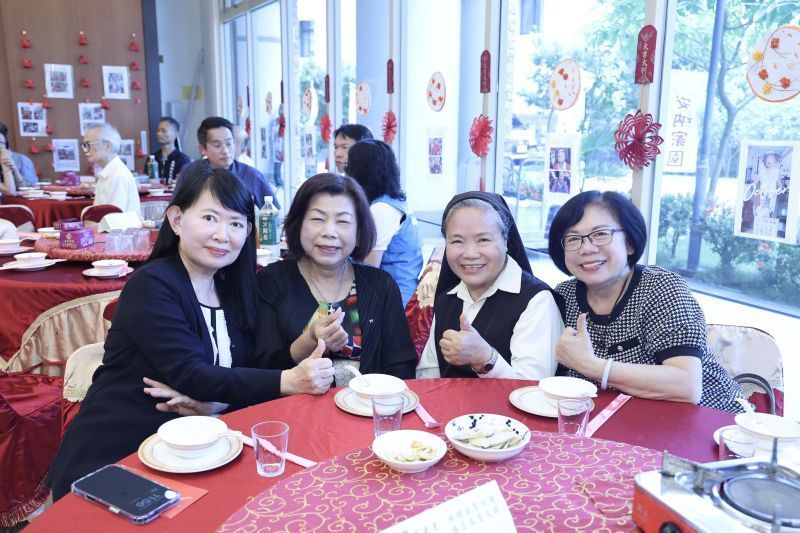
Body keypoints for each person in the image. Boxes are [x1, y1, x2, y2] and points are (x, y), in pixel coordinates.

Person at [48, 167, 335, 500]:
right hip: (120, 453)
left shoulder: (231, 289)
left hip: (198, 453)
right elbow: (191, 374)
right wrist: (289, 381)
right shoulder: (152, 285)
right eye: (210, 218)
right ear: (176, 220)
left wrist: (304, 343)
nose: (222, 235)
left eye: (236, 223)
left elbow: (244, 369)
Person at [547, 190, 743, 412]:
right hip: (624, 419)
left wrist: (592, 366)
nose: (587, 248)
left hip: (712, 417)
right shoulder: (564, 296)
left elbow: (687, 386)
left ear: (630, 243)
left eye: (601, 234)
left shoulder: (661, 288)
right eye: (573, 239)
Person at [255, 173, 417, 386]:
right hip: (294, 405)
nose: (329, 232)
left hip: (368, 404)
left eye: (343, 221)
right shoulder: (271, 280)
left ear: (359, 232)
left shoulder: (381, 285)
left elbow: (402, 367)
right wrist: (309, 340)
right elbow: (262, 368)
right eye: (318, 219)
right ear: (298, 224)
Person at [416, 192, 563, 380]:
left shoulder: (537, 301)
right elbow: (429, 373)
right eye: (457, 241)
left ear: (506, 241)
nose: (470, 254)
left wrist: (485, 358)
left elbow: (532, 388)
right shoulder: (446, 299)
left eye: (483, 240)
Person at [346, 140, 423, 306]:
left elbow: (368, 270)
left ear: (359, 170)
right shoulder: (394, 201)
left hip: (392, 300)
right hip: (403, 289)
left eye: (349, 165)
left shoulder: (381, 210)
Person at [176, 117, 279, 210]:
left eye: (229, 143)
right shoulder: (190, 172)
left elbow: (274, 213)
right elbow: (175, 208)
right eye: (217, 145)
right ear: (203, 149)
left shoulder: (251, 176)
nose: (225, 151)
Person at [83, 124, 141, 214]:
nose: (85, 150)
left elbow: (114, 216)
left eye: (88, 145)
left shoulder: (118, 175)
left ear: (107, 146)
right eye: (84, 146)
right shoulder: (107, 172)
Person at [153, 117, 191, 185]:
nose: (159, 133)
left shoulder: (183, 159)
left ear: (176, 134)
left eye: (163, 131)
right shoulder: (153, 158)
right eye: (158, 130)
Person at [0, 122, 37, 187]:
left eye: (0, 143)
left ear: (6, 139)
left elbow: (30, 187)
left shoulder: (22, 160)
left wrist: (15, 171)